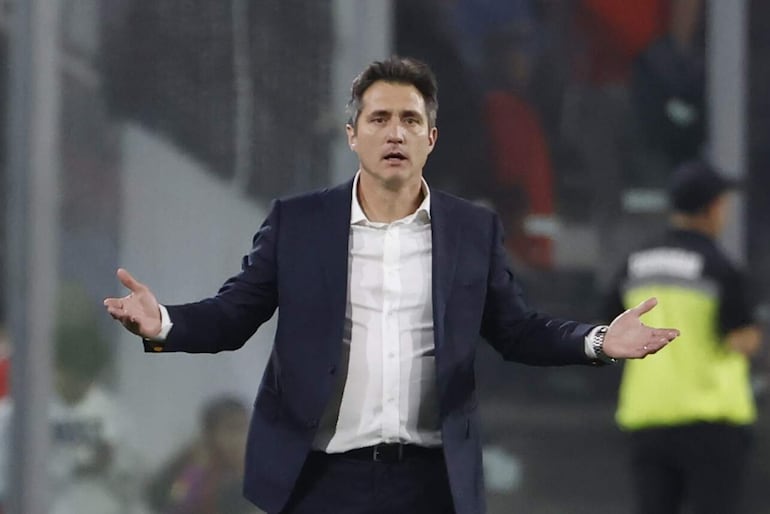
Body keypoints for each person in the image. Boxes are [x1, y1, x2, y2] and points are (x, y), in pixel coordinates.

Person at [105, 56, 679, 514]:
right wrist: (166, 325)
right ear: (353, 135)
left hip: (430, 481)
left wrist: (598, 340)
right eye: (379, 119)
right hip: (320, 478)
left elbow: (516, 330)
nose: (395, 133)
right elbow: (234, 314)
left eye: (410, 120)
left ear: (432, 137)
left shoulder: (472, 231)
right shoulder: (298, 223)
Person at [604, 160, 762, 514]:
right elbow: (742, 340)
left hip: (647, 417)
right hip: (711, 422)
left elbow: (609, 329)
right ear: (713, 208)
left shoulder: (635, 264)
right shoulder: (717, 266)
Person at [146, 395, 258, 514]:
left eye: (244, 428)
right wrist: (194, 472)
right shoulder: (193, 466)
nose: (239, 438)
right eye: (231, 428)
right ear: (211, 434)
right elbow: (172, 501)